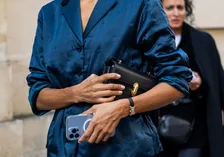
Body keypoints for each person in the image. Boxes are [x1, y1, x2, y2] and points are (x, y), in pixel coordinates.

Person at [26, 0, 192, 156]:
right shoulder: (49, 14)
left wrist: (124, 108)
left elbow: (177, 79)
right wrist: (75, 93)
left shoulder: (141, 4)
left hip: (127, 147)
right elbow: (38, 96)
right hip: (64, 148)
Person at [158, 0, 224, 157]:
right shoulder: (151, 41)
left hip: (194, 130)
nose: (176, 13)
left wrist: (200, 84)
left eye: (180, 8)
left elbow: (217, 86)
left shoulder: (203, 41)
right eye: (170, 8)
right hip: (159, 127)